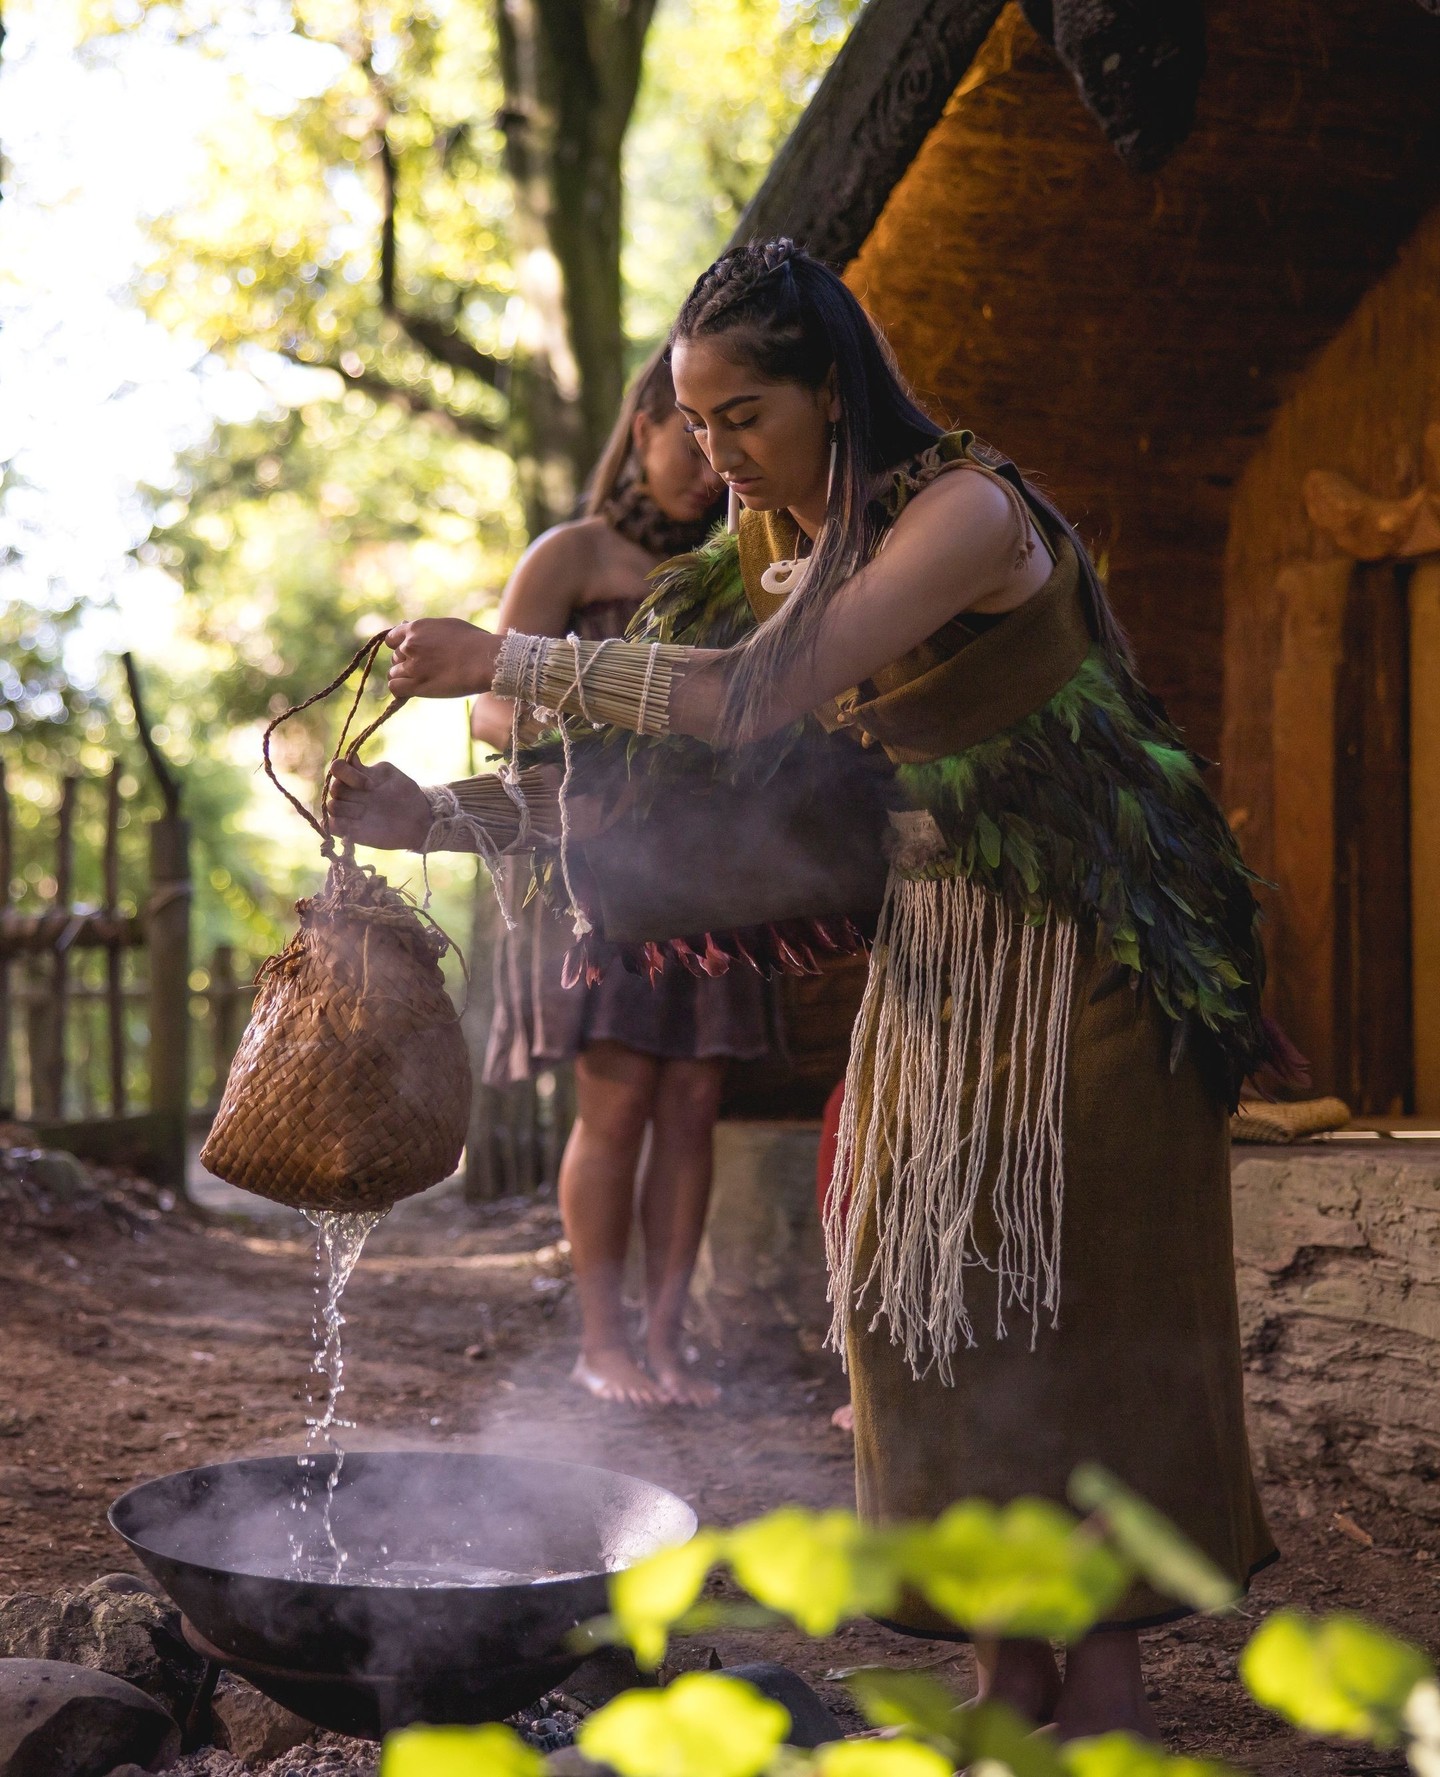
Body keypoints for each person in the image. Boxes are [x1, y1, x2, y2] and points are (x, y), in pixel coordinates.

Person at [326, 239, 1282, 1742]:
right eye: (696, 422)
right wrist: (435, 818)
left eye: (745, 414)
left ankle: (1102, 1703)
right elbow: (662, 789)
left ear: (832, 388)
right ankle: (1005, 1685)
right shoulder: (761, 548)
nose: (717, 452)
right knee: (923, 1303)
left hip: (1091, 954)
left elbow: (751, 694)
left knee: (1068, 1308)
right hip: (940, 957)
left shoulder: (967, 514)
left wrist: (509, 656)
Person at [470, 353, 769, 1409]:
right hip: (597, 871)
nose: (707, 462)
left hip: (718, 872)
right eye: (688, 435)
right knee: (620, 1096)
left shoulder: (744, 563)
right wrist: (584, 729)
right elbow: (489, 704)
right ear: (643, 427)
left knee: (693, 1100)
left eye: (724, 439)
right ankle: (601, 1344)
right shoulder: (575, 553)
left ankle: (666, 1341)